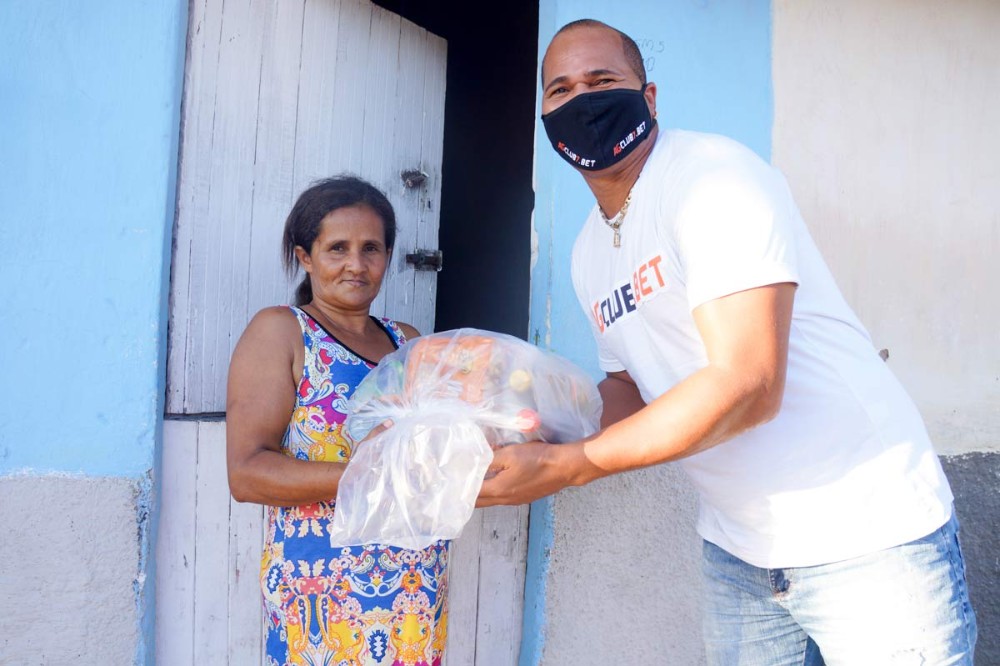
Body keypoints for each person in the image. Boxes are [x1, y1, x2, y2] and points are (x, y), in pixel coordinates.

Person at [476, 18, 978, 664]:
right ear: (546, 118)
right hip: (740, 552)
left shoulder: (712, 179)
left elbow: (749, 383)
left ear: (649, 98)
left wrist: (573, 466)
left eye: (602, 81)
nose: (583, 101)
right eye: (561, 90)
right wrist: (540, 430)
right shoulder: (587, 254)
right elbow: (629, 384)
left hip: (869, 533)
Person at [226, 175, 449, 666]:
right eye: (337, 248)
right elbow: (246, 474)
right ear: (305, 256)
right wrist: (370, 473)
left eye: (371, 248)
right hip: (322, 592)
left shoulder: (406, 341)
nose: (356, 264)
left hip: (413, 589)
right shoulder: (282, 332)